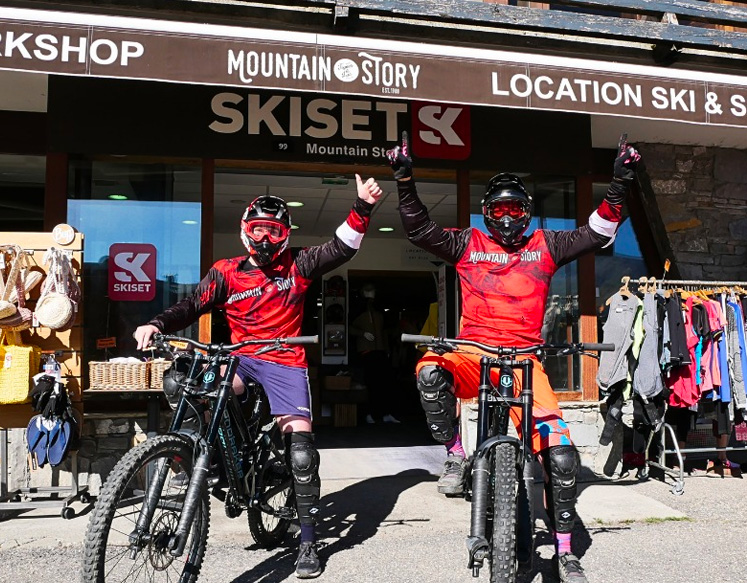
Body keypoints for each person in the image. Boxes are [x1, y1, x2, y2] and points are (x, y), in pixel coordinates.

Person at [385, 132, 640, 583]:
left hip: (526, 362)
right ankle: (455, 453)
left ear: (527, 212)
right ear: (487, 212)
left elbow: (599, 231)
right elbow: (418, 230)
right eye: (498, 209)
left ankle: (564, 553)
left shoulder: (547, 244)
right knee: (427, 369)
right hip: (472, 353)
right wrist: (405, 179)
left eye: (516, 209)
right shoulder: (468, 243)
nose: (507, 217)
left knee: (562, 461)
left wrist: (619, 182)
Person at [133, 175, 383, 579]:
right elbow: (192, 304)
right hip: (241, 358)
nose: (266, 239)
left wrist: (363, 206)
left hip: (285, 360)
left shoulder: (298, 265)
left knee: (301, 451)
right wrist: (157, 323)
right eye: (259, 230)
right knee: (191, 386)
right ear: (246, 232)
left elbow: (341, 247)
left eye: (274, 231)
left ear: (285, 235)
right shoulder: (226, 271)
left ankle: (306, 541)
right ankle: (217, 459)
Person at [349, 282, 401, 424]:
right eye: (368, 290)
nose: (371, 293)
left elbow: (384, 331)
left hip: (381, 351)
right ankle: (369, 414)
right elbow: (347, 328)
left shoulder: (378, 309)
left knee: (385, 383)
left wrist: (387, 349)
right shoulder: (357, 308)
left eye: (372, 290)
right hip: (366, 351)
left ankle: (385, 413)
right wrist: (362, 333)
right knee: (370, 384)